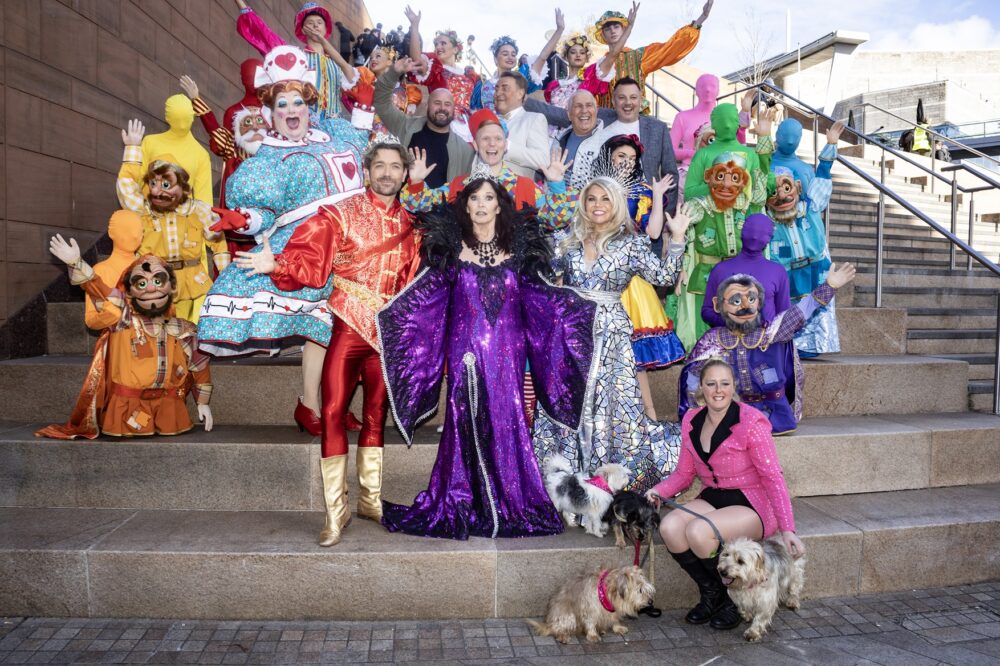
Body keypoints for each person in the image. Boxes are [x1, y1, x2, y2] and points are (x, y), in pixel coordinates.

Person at [378, 176, 598, 540]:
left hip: (509, 352)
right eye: (474, 199)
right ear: (465, 206)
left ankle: (508, 499)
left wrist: (579, 308)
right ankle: (466, 499)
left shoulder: (521, 250)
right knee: (465, 417)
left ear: (500, 205)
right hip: (463, 350)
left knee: (505, 416)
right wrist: (394, 315)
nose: (481, 204)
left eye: (488, 198)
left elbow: (542, 299)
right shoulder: (450, 250)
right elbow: (427, 302)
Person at [232, 140, 421, 547]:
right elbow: (312, 262)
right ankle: (336, 512)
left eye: (395, 166)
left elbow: (416, 286)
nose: (387, 173)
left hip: (387, 337)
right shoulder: (339, 215)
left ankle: (370, 500)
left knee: (375, 415)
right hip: (348, 330)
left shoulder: (414, 226)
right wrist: (276, 263)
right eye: (380, 166)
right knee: (333, 411)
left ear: (405, 175)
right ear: (367, 171)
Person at [197, 46, 369, 437]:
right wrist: (242, 219)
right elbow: (263, 213)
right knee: (321, 327)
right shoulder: (268, 158)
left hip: (355, 243)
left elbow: (363, 140)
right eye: (281, 105)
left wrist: (365, 105)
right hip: (309, 247)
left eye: (296, 102)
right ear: (271, 114)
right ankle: (314, 406)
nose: (291, 110)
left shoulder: (333, 133)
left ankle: (332, 404)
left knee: (352, 329)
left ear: (308, 105)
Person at [532, 176, 689, 493]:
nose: (598, 205)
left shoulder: (631, 244)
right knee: (571, 402)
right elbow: (544, 276)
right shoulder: (570, 241)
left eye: (605, 199)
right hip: (572, 335)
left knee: (614, 405)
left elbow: (664, 276)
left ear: (616, 204)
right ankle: (568, 475)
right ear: (584, 204)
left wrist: (678, 238)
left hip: (612, 336)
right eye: (592, 199)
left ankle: (609, 476)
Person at [646, 359, 803, 631]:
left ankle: (733, 599)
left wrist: (788, 529)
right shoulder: (691, 420)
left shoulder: (752, 422)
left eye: (725, 384)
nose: (718, 390)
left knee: (697, 531)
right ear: (701, 389)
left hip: (752, 502)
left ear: (733, 387)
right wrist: (656, 492)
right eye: (711, 384)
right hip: (714, 496)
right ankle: (713, 593)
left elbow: (773, 477)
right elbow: (684, 474)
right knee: (670, 526)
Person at [38, 237, 213, 440]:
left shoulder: (183, 329)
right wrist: (76, 263)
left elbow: (199, 366)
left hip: (170, 409)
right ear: (129, 291)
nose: (150, 289)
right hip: (127, 409)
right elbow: (101, 290)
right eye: (141, 283)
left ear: (172, 287)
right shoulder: (123, 320)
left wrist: (203, 402)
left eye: (158, 281)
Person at [679, 262, 857, 435]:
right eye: (735, 300)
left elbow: (801, 311)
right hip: (727, 416)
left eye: (751, 299)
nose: (744, 306)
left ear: (759, 303)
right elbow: (693, 379)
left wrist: (829, 286)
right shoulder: (711, 340)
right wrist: (697, 412)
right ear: (719, 305)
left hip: (773, 416)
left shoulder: (771, 333)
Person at [592, 135, 686, 419]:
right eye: (621, 156)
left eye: (631, 159)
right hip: (596, 275)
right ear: (609, 157)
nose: (626, 162)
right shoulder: (593, 190)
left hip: (631, 279)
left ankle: (649, 415)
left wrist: (657, 196)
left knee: (635, 358)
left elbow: (654, 233)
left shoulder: (643, 192)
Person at [675, 108, 775, 350]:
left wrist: (763, 140)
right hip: (708, 247)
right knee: (706, 311)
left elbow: (762, 186)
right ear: (715, 123)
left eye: (733, 119)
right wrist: (716, 191)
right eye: (723, 119)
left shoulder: (749, 155)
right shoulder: (703, 155)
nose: (728, 123)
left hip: (740, 248)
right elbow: (690, 192)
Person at [117, 119, 230, 324]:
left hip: (190, 282)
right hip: (154, 282)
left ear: (183, 188)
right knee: (158, 329)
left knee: (187, 330)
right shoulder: (143, 209)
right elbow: (125, 186)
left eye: (167, 184)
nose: (158, 190)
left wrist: (227, 277)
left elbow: (219, 244)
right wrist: (132, 149)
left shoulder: (198, 211)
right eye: (153, 184)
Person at [401, 108, 575, 230]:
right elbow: (417, 205)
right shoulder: (460, 185)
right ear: (476, 145)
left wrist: (557, 185)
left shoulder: (525, 187)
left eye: (498, 138)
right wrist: (415, 181)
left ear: (505, 144)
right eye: (485, 139)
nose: (492, 143)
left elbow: (555, 219)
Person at [526, 78, 679, 203]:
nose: (627, 103)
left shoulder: (657, 128)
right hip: (601, 206)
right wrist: (522, 100)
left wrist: (665, 217)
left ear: (641, 100)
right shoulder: (601, 118)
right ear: (613, 101)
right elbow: (569, 114)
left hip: (647, 208)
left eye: (633, 97)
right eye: (621, 98)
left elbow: (670, 175)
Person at [766, 121, 844, 357]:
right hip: (783, 261)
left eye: (787, 188)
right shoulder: (767, 213)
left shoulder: (809, 204)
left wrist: (830, 146)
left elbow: (821, 180)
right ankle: (787, 342)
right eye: (776, 190)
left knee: (816, 300)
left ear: (798, 187)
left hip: (812, 258)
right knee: (788, 302)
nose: (783, 195)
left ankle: (814, 344)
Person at [234, 0, 346, 118]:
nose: (315, 25)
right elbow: (264, 34)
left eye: (319, 22)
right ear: (303, 29)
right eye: (310, 22)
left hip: (337, 128)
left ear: (325, 28)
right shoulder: (296, 57)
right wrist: (242, 5)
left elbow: (353, 96)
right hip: (303, 124)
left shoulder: (338, 65)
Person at [592, 1, 713, 109]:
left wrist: (701, 18)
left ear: (623, 30)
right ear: (602, 35)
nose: (613, 31)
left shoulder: (639, 56)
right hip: (608, 126)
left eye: (616, 26)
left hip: (635, 124)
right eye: (608, 29)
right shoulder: (598, 66)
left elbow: (671, 48)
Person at [374, 59, 473, 188]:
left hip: (442, 207)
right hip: (402, 206)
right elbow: (381, 102)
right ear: (427, 105)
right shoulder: (405, 126)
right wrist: (393, 73)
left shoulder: (464, 150)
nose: (442, 108)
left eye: (447, 104)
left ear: (453, 109)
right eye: (437, 103)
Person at [405, 7, 479, 142]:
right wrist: (414, 26)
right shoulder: (435, 69)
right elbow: (416, 59)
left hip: (467, 127)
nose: (438, 47)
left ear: (456, 49)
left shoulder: (469, 74)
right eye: (436, 44)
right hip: (442, 123)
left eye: (443, 43)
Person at [470, 13, 564, 112]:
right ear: (495, 59)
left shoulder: (522, 77)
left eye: (513, 54)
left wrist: (559, 30)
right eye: (505, 54)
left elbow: (542, 57)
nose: (510, 57)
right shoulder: (483, 85)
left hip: (515, 126)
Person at [139, 95, 213, 206]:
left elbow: (204, 202)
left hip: (182, 219)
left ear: (193, 117)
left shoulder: (201, 154)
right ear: (167, 118)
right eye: (177, 119)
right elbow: (137, 182)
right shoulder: (150, 142)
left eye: (186, 119)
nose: (182, 125)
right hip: (149, 215)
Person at [83, 210, 143, 331]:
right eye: (126, 230)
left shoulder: (150, 265)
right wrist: (109, 316)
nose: (134, 235)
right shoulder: (101, 270)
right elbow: (90, 319)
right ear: (111, 233)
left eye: (139, 231)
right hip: (118, 342)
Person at [493, 72, 551, 179]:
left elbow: (542, 160)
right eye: (496, 89)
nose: (498, 93)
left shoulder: (534, 119)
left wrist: (508, 147)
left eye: (505, 88)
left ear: (520, 94)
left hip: (516, 193)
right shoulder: (489, 122)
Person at [553, 91, 605, 185]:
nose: (584, 110)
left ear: (596, 110)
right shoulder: (558, 141)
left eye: (589, 105)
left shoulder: (607, 142)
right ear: (569, 115)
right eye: (578, 106)